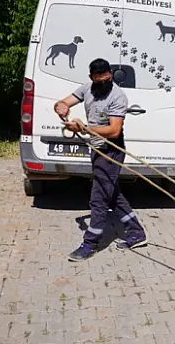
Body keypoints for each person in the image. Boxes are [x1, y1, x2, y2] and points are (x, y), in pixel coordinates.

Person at [54, 58, 147, 261]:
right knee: (111, 193)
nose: (103, 83)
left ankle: (90, 243)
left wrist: (84, 128)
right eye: (99, 80)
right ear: (92, 78)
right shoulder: (87, 88)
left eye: (106, 78)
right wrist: (60, 107)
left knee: (98, 198)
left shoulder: (118, 97)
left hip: (111, 150)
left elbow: (113, 131)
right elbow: (64, 102)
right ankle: (136, 232)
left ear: (110, 75)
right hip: (96, 149)